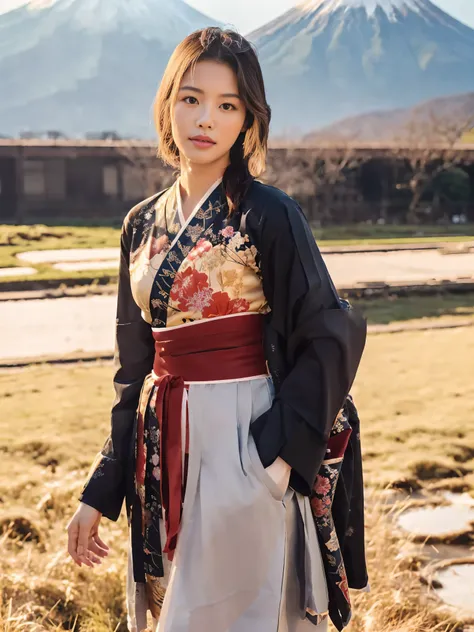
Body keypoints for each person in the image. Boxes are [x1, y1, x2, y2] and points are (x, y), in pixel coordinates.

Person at [66, 27, 369, 632]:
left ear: (247, 120)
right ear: (167, 103)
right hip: (164, 443)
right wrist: (98, 492)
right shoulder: (140, 224)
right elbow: (134, 370)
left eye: (227, 105)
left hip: (247, 437)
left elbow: (333, 333)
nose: (205, 119)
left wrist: (272, 459)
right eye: (191, 98)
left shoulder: (268, 213)